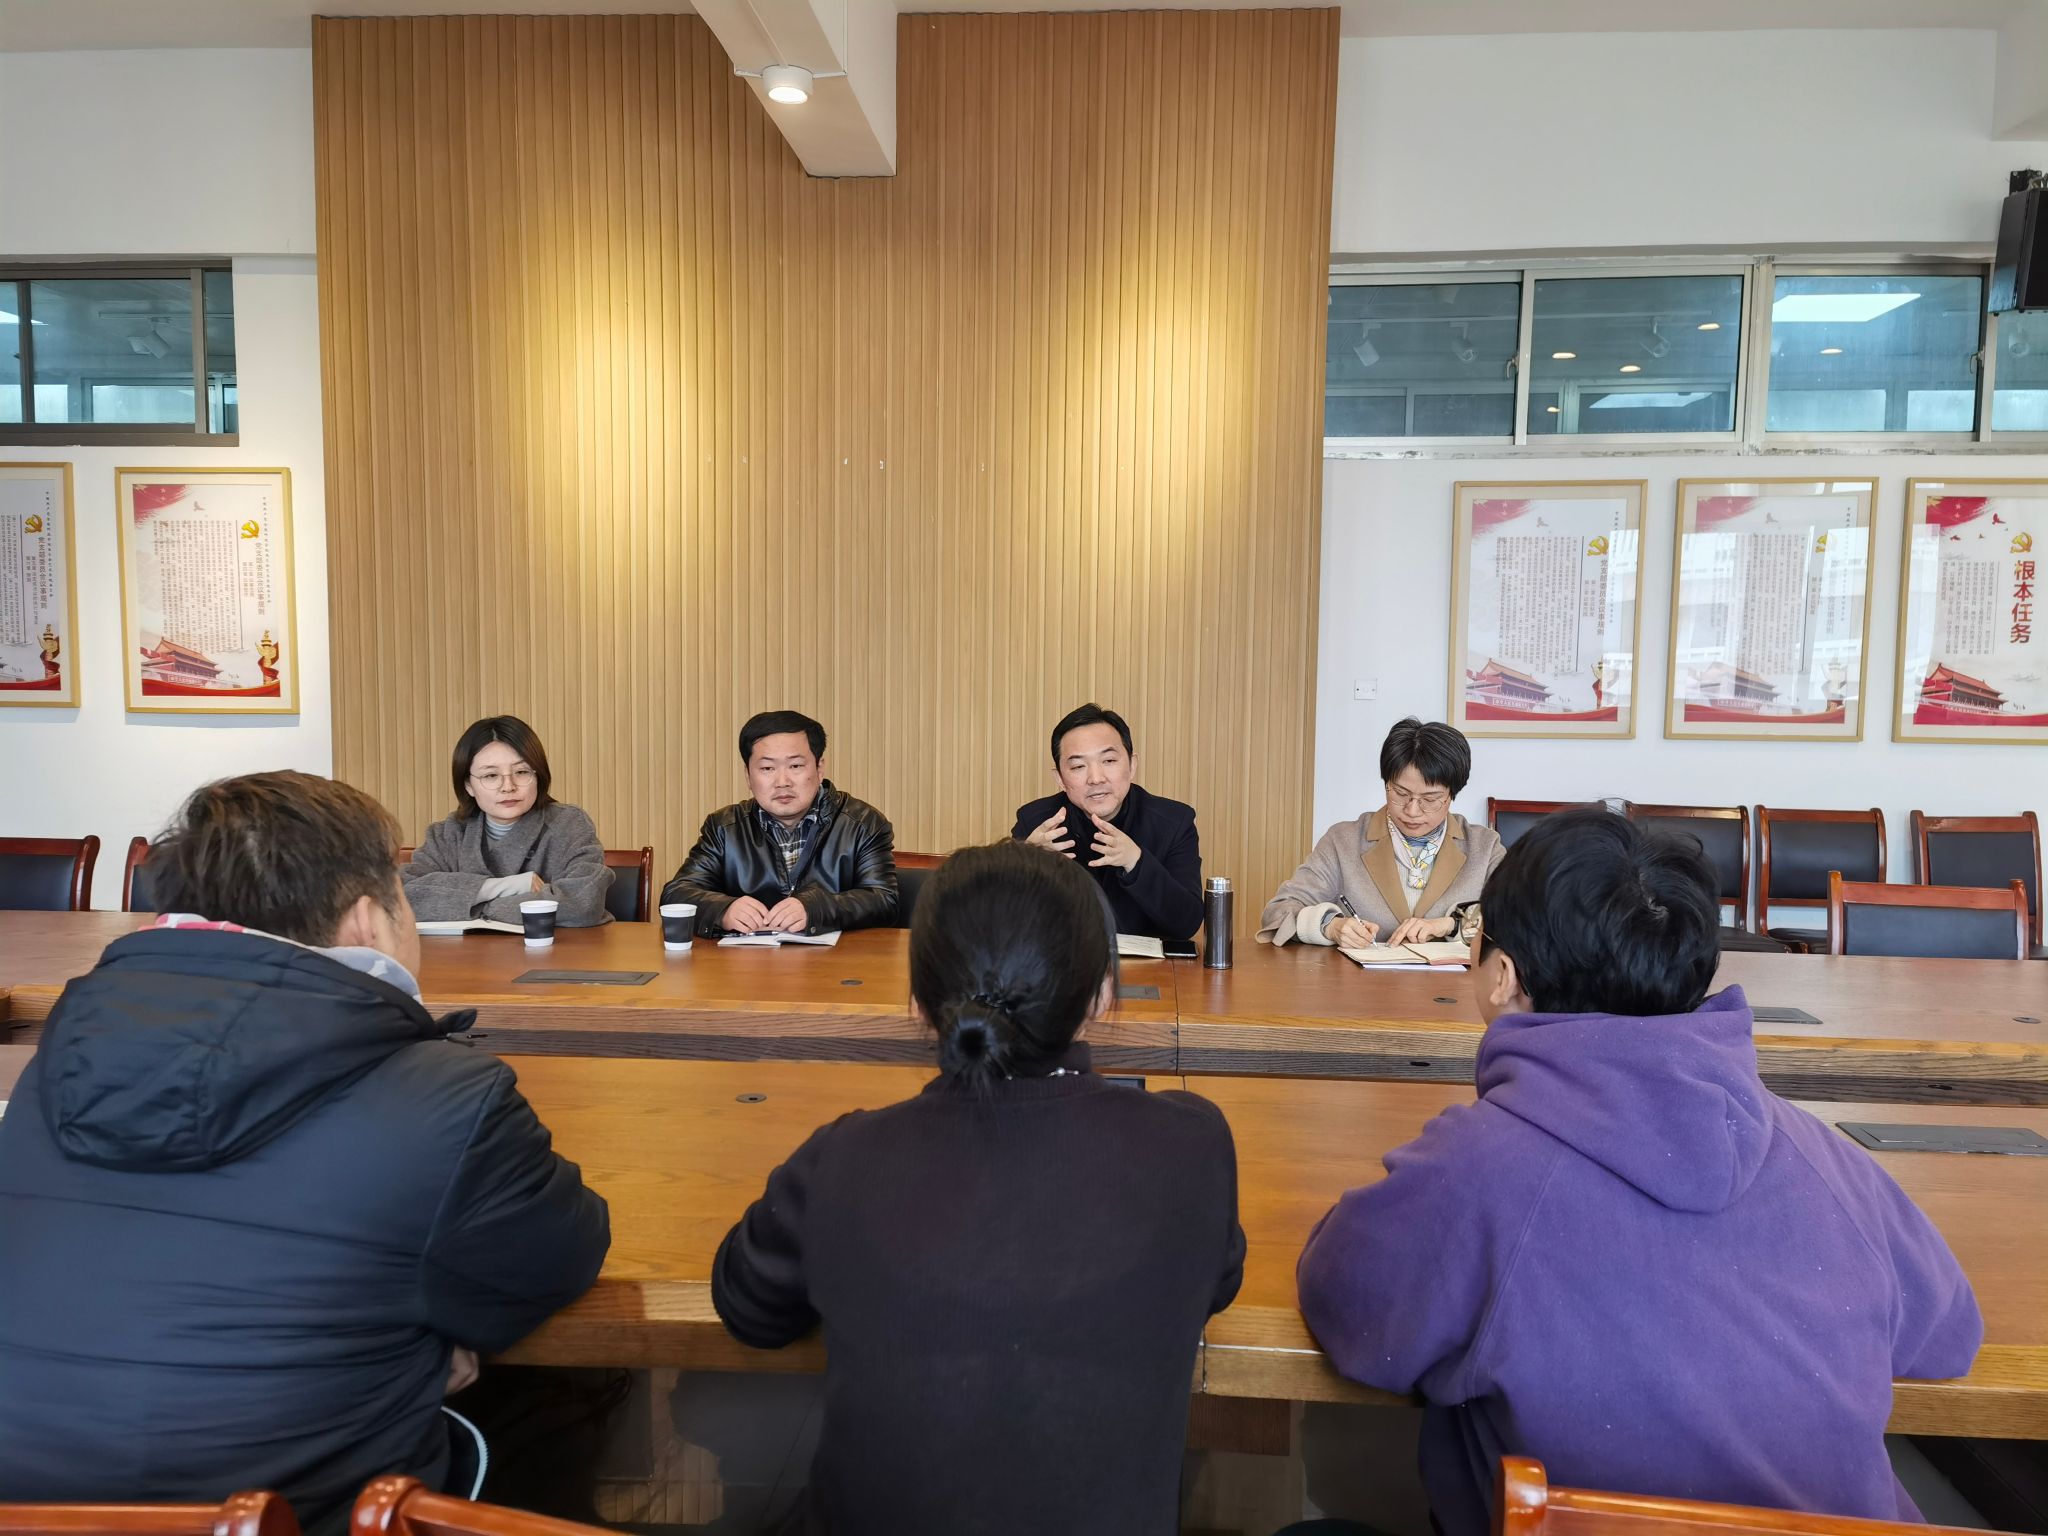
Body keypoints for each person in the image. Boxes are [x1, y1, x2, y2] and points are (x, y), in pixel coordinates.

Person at [1295, 808, 1981, 1536]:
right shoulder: (1827, 1158)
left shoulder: (1475, 1170)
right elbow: (1949, 1336)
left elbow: (1346, 1302)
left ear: (1503, 976)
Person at [0, 771, 611, 1536]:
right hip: (305, 1517)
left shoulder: (56, 1058)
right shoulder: (446, 1099)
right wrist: (424, 1347)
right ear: (368, 921)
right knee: (571, 1389)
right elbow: (562, 1256)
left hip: (32, 1513)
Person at [711, 840, 1245, 1535]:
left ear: (917, 1003)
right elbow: (1215, 1285)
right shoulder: (1192, 1146)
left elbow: (749, 1309)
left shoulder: (845, 1156)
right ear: (1101, 996)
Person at [1259, 717, 1501, 949]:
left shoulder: (1485, 848)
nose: (1412, 811)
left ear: (1452, 794)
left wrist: (1452, 925)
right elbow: (1279, 911)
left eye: (1430, 799)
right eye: (1400, 793)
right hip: (1358, 979)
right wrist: (1329, 927)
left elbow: (1517, 916)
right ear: (1386, 783)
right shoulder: (1342, 841)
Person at [661, 709, 898, 935]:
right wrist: (722, 910)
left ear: (819, 769)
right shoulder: (725, 827)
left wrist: (817, 909)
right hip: (745, 961)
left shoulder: (862, 823)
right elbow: (677, 894)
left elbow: (884, 899)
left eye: (795, 766)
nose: (782, 781)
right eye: (767, 768)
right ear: (748, 776)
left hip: (838, 960)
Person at [1013, 702, 1202, 942]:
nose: (1096, 778)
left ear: (1132, 765)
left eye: (1109, 761)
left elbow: (1186, 924)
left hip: (1153, 965)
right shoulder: (1036, 822)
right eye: (1078, 766)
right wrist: (1027, 866)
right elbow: (1005, 925)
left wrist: (1136, 861)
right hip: (1063, 963)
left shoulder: (1174, 822)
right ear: (1059, 778)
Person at [403, 714, 614, 926]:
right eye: (490, 775)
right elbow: (403, 896)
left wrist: (474, 905)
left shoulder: (568, 824)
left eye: (521, 772)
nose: (508, 787)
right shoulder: (447, 834)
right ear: (468, 786)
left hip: (558, 947)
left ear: (538, 776)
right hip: (468, 948)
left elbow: (582, 904)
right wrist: (505, 886)